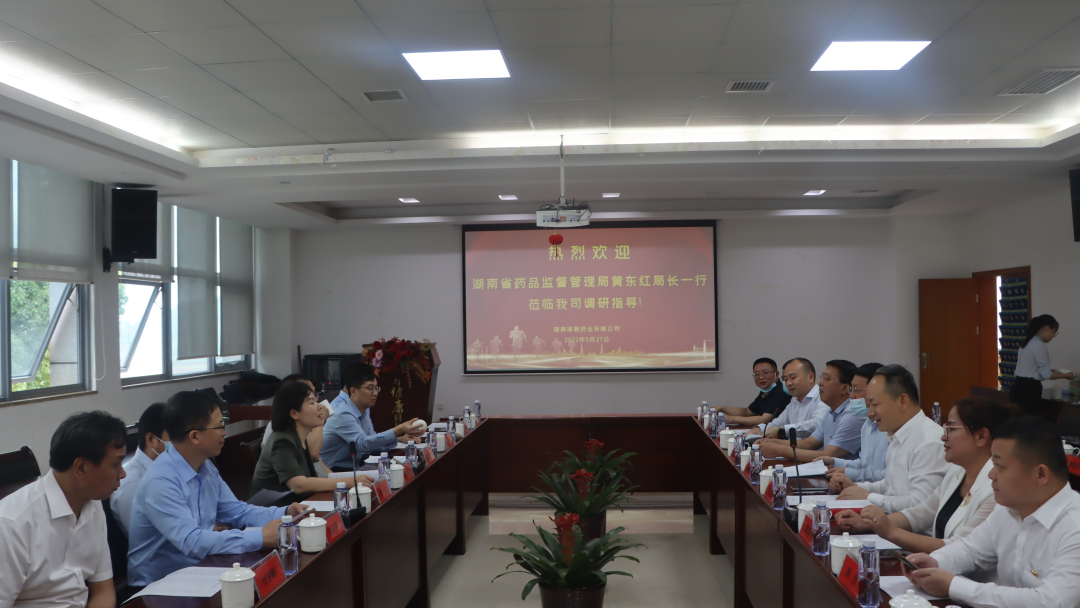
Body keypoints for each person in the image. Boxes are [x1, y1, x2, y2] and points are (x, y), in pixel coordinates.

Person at [127, 391, 306, 587]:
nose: (225, 432)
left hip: (201, 569)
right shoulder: (161, 480)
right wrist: (260, 537)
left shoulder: (205, 467)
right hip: (158, 586)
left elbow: (237, 511)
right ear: (195, 436)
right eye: (220, 426)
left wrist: (285, 513)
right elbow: (192, 542)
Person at [904, 417, 1080, 607]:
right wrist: (934, 562)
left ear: (1041, 474)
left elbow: (1052, 602)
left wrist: (954, 586)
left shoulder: (1074, 526)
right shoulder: (1009, 509)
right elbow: (970, 549)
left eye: (999, 466)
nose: (991, 475)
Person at [837, 397, 1016, 555]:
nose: (943, 437)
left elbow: (960, 548)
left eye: (952, 429)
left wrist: (890, 531)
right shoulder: (957, 471)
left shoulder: (996, 489)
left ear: (981, 436)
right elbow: (922, 513)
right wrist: (867, 522)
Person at [0, 411, 127, 608]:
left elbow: (103, 591)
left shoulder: (93, 504)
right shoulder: (12, 524)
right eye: (116, 464)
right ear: (81, 467)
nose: (123, 473)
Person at [832, 364, 949, 512]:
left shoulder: (929, 442)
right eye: (868, 405)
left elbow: (919, 506)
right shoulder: (897, 435)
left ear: (902, 401)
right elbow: (889, 485)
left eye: (875, 404)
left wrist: (868, 497)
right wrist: (855, 487)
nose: (870, 413)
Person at [252, 381, 373, 496]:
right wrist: (348, 482)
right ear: (294, 413)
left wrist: (350, 480)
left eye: (316, 401)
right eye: (311, 403)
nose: (319, 406)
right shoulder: (282, 441)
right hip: (274, 508)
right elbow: (298, 485)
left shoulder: (300, 438)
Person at [320, 363, 422, 472]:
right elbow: (364, 444)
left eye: (376, 388)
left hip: (353, 468)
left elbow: (372, 442)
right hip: (334, 472)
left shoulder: (362, 410)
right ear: (353, 391)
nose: (375, 393)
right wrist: (399, 429)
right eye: (370, 388)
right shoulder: (343, 414)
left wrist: (398, 439)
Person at [758, 360, 862, 460]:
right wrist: (771, 442)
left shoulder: (853, 414)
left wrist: (779, 450)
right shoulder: (831, 412)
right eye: (821, 378)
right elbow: (808, 444)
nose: (820, 383)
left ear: (845, 388)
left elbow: (828, 455)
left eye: (826, 378)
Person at [815, 362, 888, 483]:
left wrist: (849, 474)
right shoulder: (868, 424)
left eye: (856, 389)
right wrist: (835, 462)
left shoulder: (892, 427)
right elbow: (864, 463)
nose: (851, 395)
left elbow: (889, 476)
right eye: (851, 389)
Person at [110, 403, 169, 536]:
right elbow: (146, 540)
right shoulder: (132, 484)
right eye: (175, 437)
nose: (182, 443)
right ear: (151, 439)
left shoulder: (171, 468)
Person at [1011, 314, 1075, 417]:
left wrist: (1052, 370)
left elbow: (1030, 368)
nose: (1053, 336)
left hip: (1018, 386)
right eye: (1054, 332)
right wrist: (1065, 375)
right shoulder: (1040, 345)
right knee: (1030, 420)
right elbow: (1046, 375)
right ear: (1047, 328)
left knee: (1018, 419)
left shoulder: (1026, 343)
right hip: (1030, 389)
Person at [260, 375, 329, 466]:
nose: (316, 400)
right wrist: (319, 420)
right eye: (310, 398)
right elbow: (312, 456)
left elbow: (318, 465)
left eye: (314, 393)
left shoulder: (303, 423)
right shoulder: (282, 431)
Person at [756, 358, 828, 440]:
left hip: (813, 448)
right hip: (792, 447)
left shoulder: (822, 397)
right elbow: (776, 424)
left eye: (793, 378)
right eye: (785, 380)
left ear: (810, 377)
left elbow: (818, 424)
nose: (788, 383)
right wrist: (759, 429)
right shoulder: (794, 400)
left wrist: (782, 430)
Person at [718, 357, 789, 428]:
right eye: (756, 374)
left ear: (777, 374)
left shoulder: (781, 392)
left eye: (765, 373)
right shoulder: (766, 391)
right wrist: (721, 408)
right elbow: (747, 412)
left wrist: (731, 419)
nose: (761, 377)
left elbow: (764, 420)